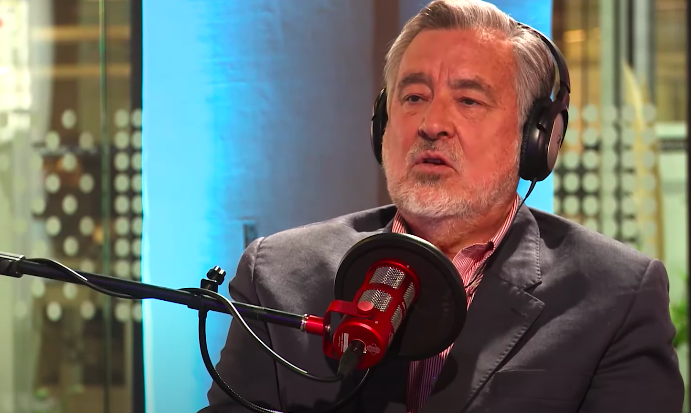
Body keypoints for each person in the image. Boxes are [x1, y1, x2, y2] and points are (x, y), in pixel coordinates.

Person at [201, 0, 684, 412]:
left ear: (536, 139)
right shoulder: (277, 275)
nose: (432, 124)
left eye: (469, 101)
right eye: (413, 97)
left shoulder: (614, 295)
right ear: (382, 125)